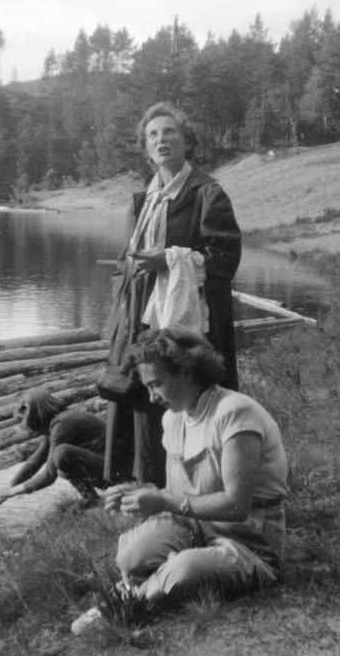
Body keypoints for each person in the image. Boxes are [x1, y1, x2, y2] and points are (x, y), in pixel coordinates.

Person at [74, 326, 288, 634]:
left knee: (183, 570)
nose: (152, 396)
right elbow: (179, 493)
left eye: (157, 384)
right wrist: (142, 494)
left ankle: (126, 604)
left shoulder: (234, 413)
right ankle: (149, 581)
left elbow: (237, 505)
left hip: (250, 541)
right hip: (197, 528)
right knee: (131, 555)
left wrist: (163, 501)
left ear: (187, 371)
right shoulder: (173, 418)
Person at [103, 102, 242, 488]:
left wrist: (169, 260)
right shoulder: (143, 201)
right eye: (153, 135)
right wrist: (122, 298)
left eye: (169, 133)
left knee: (184, 394)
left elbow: (225, 260)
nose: (161, 140)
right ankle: (144, 488)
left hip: (188, 322)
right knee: (145, 398)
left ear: (187, 142)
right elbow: (126, 259)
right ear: (146, 149)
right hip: (139, 313)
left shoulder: (206, 194)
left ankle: (199, 492)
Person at [0, 389, 106, 514]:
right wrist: (6, 492)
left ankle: (92, 500)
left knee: (61, 456)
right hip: (107, 469)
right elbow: (35, 462)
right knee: (61, 459)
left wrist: (13, 492)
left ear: (32, 412)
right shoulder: (58, 422)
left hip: (114, 475)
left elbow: (49, 475)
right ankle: (91, 500)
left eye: (23, 419)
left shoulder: (62, 425)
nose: (24, 425)